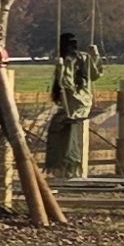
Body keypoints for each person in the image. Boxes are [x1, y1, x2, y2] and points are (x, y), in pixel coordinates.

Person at [43, 30, 97, 176]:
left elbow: (65, 84)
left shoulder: (70, 60)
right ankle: (65, 166)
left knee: (61, 130)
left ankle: (65, 166)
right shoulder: (83, 58)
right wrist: (95, 55)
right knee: (62, 128)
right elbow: (95, 74)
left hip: (74, 105)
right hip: (81, 102)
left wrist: (61, 69)